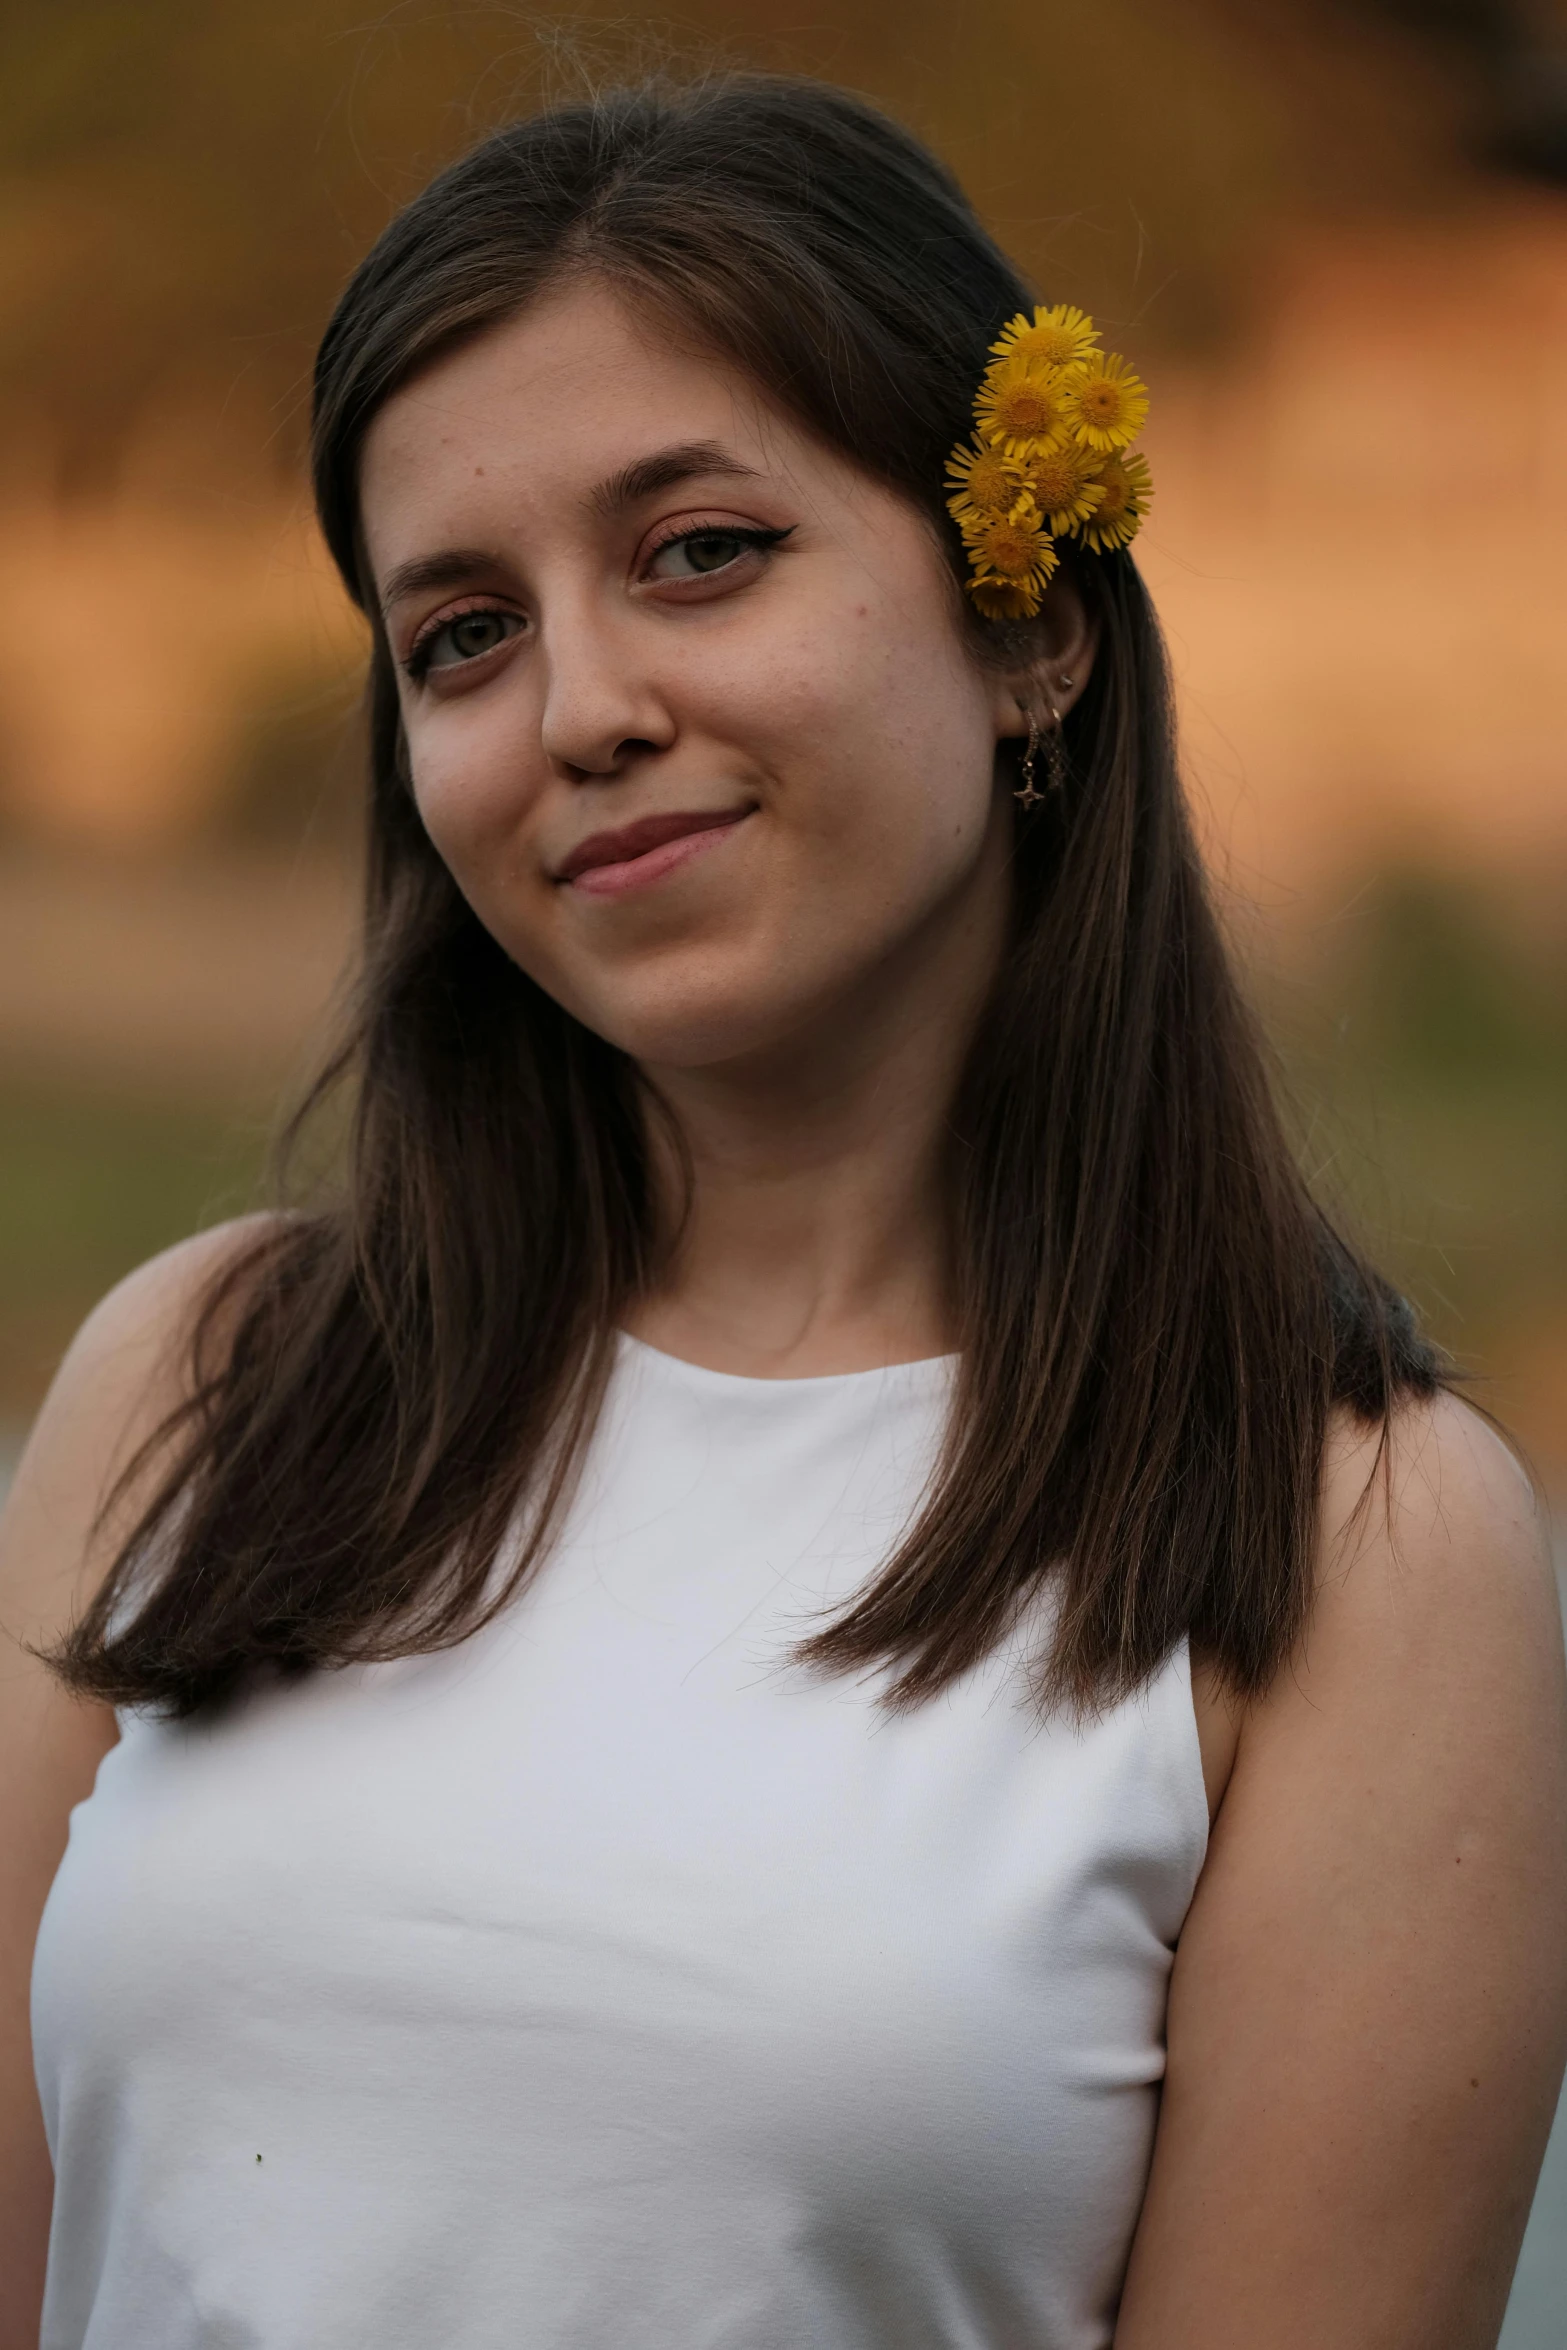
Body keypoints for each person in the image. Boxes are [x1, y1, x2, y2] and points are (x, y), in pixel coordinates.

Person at [3, 73, 1564, 2350]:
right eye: (464, 633)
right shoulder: (204, 1378)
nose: (584, 707)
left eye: (699, 551)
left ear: (1032, 628)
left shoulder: (1357, 1547)